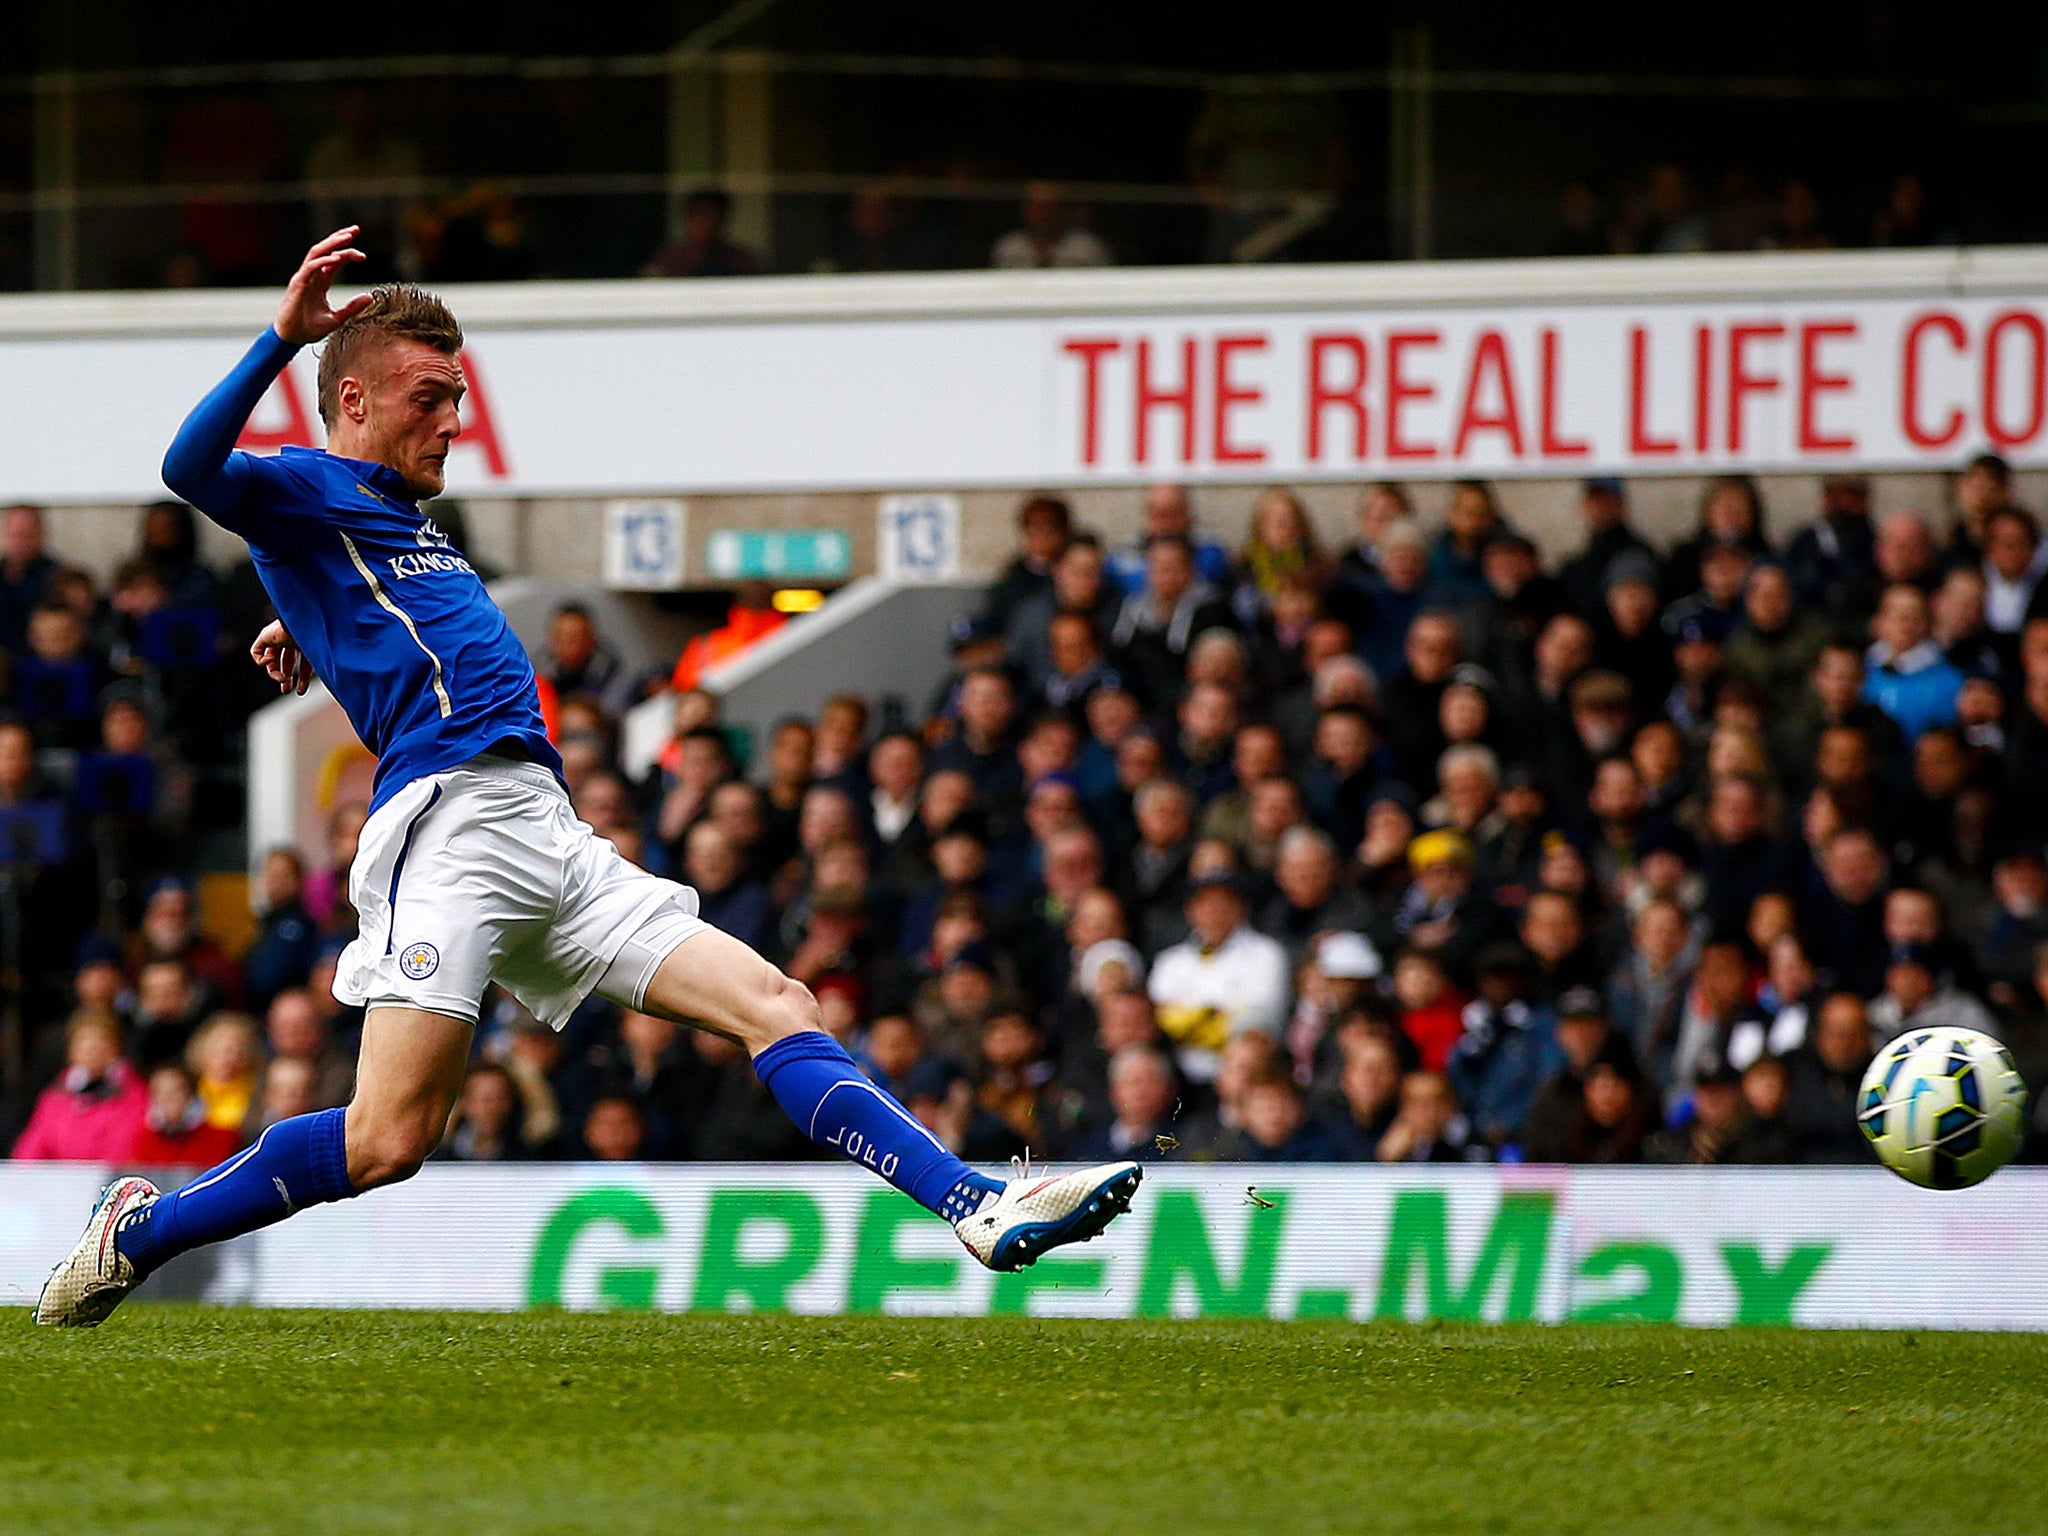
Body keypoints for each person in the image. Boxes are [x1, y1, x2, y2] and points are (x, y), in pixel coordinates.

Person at [35, 230, 1141, 1328]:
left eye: (458, 396)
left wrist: (308, 624)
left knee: (777, 1003)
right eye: (428, 397)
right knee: (384, 1143)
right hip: (451, 826)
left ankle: (973, 1202)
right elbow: (187, 469)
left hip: (550, 836)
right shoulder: (307, 487)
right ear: (356, 397)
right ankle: (139, 1232)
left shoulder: (390, 528)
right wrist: (282, 337)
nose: (453, 422)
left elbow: (390, 621)